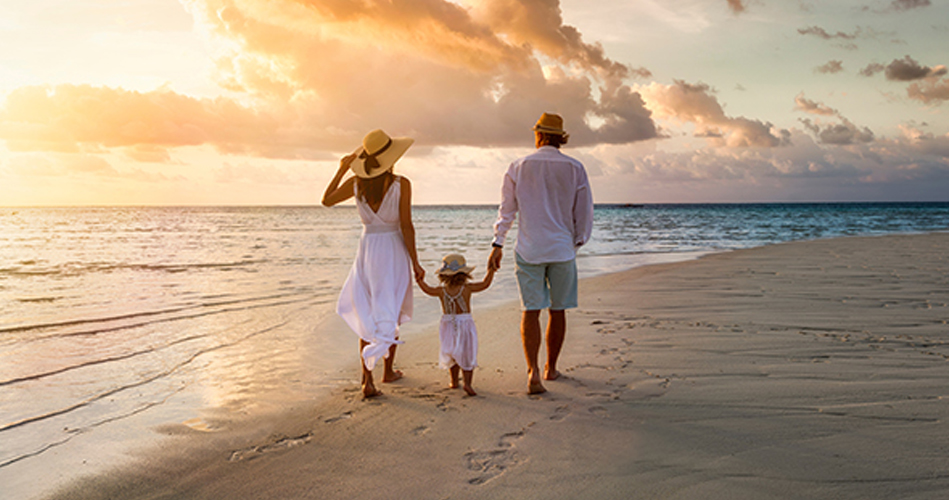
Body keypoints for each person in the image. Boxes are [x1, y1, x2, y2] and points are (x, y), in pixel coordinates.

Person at [488, 112, 594, 395]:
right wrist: (577, 242)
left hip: (529, 248)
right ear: (560, 137)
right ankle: (550, 367)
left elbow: (507, 210)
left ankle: (532, 370)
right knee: (557, 310)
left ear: (539, 135)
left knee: (530, 310)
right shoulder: (575, 168)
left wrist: (497, 243)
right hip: (561, 249)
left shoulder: (518, 166)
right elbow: (583, 212)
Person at [322, 129, 425, 398]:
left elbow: (326, 200)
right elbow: (406, 226)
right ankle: (387, 371)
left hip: (367, 251)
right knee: (390, 305)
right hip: (392, 249)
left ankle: (367, 380)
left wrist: (342, 170)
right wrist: (415, 262)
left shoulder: (357, 184)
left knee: (368, 310)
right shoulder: (402, 184)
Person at [416, 253, 496, 396]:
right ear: (464, 274)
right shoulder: (467, 288)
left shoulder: (441, 291)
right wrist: (491, 271)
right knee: (467, 353)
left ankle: (454, 382)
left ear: (444, 275)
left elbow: (427, 290)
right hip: (465, 323)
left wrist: (419, 280)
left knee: (452, 352)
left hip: (447, 324)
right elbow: (485, 284)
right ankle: (467, 383)